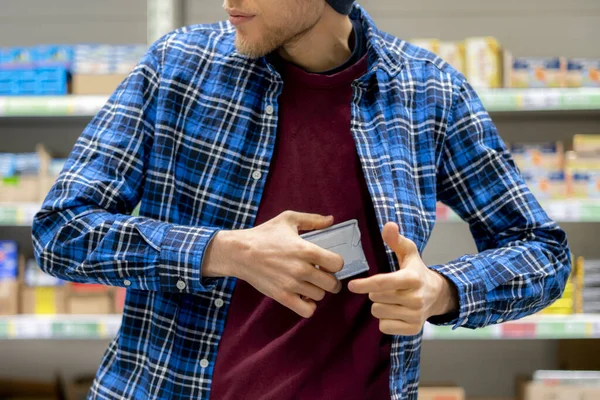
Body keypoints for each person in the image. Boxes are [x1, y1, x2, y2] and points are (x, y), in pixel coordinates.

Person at [32, 0, 571, 399]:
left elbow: (543, 253)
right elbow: (61, 231)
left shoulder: (430, 93)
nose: (228, 1)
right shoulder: (179, 69)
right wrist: (226, 251)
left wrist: (442, 290)